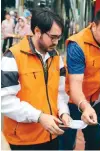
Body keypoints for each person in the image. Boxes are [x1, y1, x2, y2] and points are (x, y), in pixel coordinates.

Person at [1, 8, 71, 150]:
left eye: (59, 37)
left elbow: (60, 92)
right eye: (53, 37)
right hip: (23, 141)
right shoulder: (13, 56)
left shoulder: (56, 58)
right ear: (37, 31)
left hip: (51, 136)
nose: (56, 42)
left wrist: (64, 112)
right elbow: (4, 101)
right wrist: (39, 116)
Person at [59, 8, 100, 150]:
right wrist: (85, 107)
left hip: (95, 100)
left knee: (94, 142)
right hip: (72, 102)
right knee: (66, 144)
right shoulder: (77, 45)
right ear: (93, 25)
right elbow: (75, 87)